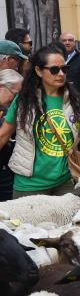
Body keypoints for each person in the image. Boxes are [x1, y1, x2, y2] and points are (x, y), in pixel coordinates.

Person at [0, 45, 80, 197]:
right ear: (39, 71)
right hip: (29, 185)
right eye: (54, 70)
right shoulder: (24, 101)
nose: (61, 74)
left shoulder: (74, 100)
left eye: (64, 69)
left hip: (65, 182)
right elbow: (3, 136)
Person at [0, 68, 23, 200]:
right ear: (1, 87)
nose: (16, 100)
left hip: (8, 171)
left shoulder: (10, 110)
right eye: (15, 94)